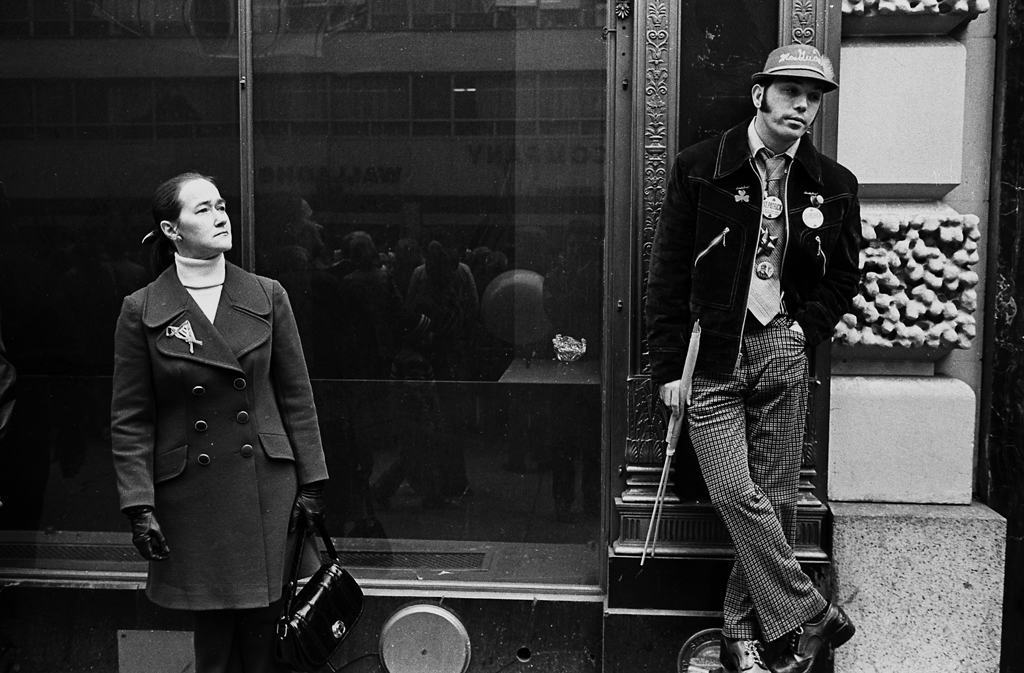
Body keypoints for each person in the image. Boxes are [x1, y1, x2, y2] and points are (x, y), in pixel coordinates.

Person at [646, 45, 861, 673]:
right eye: (790, 91)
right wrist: (665, 370)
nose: (802, 105)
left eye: (813, 96)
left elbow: (845, 277)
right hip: (708, 354)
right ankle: (813, 613)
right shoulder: (701, 167)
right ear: (758, 93)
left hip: (782, 348)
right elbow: (666, 275)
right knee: (737, 494)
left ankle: (743, 641)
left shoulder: (835, 185)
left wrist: (801, 332)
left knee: (772, 495)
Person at [110, 172, 330, 673]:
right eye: (203, 209)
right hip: (192, 492)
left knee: (267, 632)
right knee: (212, 639)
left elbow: (297, 396)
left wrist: (313, 483)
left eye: (222, 205)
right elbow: (130, 418)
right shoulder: (142, 310)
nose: (221, 215)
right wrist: (137, 505)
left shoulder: (267, 295)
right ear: (171, 229)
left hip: (267, 488)